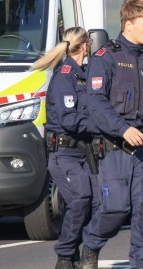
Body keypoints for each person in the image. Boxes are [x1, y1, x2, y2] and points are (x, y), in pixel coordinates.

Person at [80, 0, 143, 269]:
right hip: (114, 148)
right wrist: (123, 129)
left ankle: (140, 264)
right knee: (115, 209)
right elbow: (96, 104)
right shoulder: (105, 58)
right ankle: (92, 243)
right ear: (128, 25)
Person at [30, 27, 98, 269]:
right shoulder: (65, 76)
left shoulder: (84, 73)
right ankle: (65, 256)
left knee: (99, 202)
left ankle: (86, 252)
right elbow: (70, 120)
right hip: (64, 153)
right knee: (81, 200)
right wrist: (101, 125)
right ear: (84, 45)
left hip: (84, 152)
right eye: (89, 42)